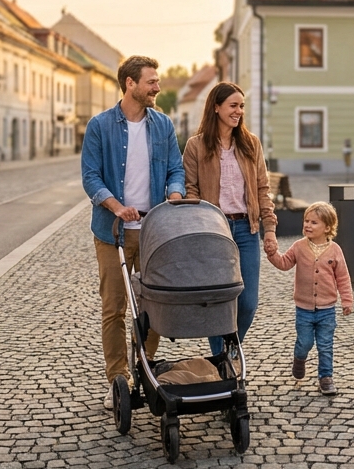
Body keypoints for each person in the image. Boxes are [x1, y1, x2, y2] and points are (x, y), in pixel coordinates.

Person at [80, 55, 185, 409]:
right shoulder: (100, 126)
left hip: (154, 229)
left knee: (154, 304)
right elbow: (90, 176)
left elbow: (175, 168)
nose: (157, 87)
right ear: (130, 84)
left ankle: (144, 366)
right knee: (114, 307)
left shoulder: (163, 125)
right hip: (113, 232)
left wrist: (174, 193)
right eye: (152, 82)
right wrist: (115, 206)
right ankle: (118, 380)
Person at [183, 82, 279, 355]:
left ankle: (230, 348)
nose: (239, 112)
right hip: (214, 232)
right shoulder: (196, 146)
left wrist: (269, 229)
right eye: (233, 106)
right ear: (216, 107)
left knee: (248, 302)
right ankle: (221, 361)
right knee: (217, 302)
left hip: (246, 231)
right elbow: (192, 191)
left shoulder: (251, 144)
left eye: (242, 106)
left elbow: (263, 189)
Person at [266, 201, 352, 396]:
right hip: (303, 309)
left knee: (325, 345)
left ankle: (326, 378)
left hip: (327, 309)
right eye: (306, 221)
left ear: (327, 228)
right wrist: (272, 254)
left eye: (314, 222)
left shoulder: (335, 250)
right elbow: (284, 263)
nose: (307, 225)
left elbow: (343, 277)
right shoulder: (299, 246)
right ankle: (299, 357)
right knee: (305, 342)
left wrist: (347, 300)